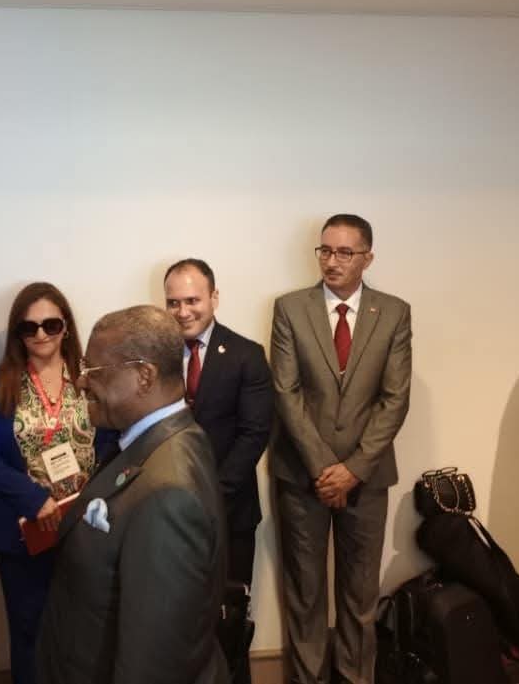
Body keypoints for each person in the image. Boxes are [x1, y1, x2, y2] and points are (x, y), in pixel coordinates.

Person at [36, 305, 229, 684]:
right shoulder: (151, 442)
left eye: (93, 369)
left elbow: (153, 663)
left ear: (144, 376)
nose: (81, 381)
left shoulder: (168, 495)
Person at [270, 214, 412, 684]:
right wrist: (323, 468)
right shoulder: (291, 308)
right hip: (301, 475)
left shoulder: (394, 312)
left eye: (344, 253)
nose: (332, 261)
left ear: (367, 258)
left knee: (359, 596)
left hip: (367, 478)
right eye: (325, 251)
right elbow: (286, 392)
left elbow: (394, 399)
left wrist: (353, 469)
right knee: (305, 595)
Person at [0, 282, 108, 684]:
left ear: (66, 325)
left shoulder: (90, 378)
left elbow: (113, 443)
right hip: (24, 530)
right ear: (18, 333)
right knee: (29, 632)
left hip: (84, 524)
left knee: (83, 632)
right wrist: (34, 499)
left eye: (51, 324)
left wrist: (87, 498)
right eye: (29, 327)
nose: (41, 334)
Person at [163, 258, 272, 586]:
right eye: (173, 303)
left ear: (214, 298)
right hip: (168, 510)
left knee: (230, 607)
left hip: (230, 510)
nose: (183, 312)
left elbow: (254, 434)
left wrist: (212, 495)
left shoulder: (246, 355)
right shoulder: (155, 357)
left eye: (192, 300)